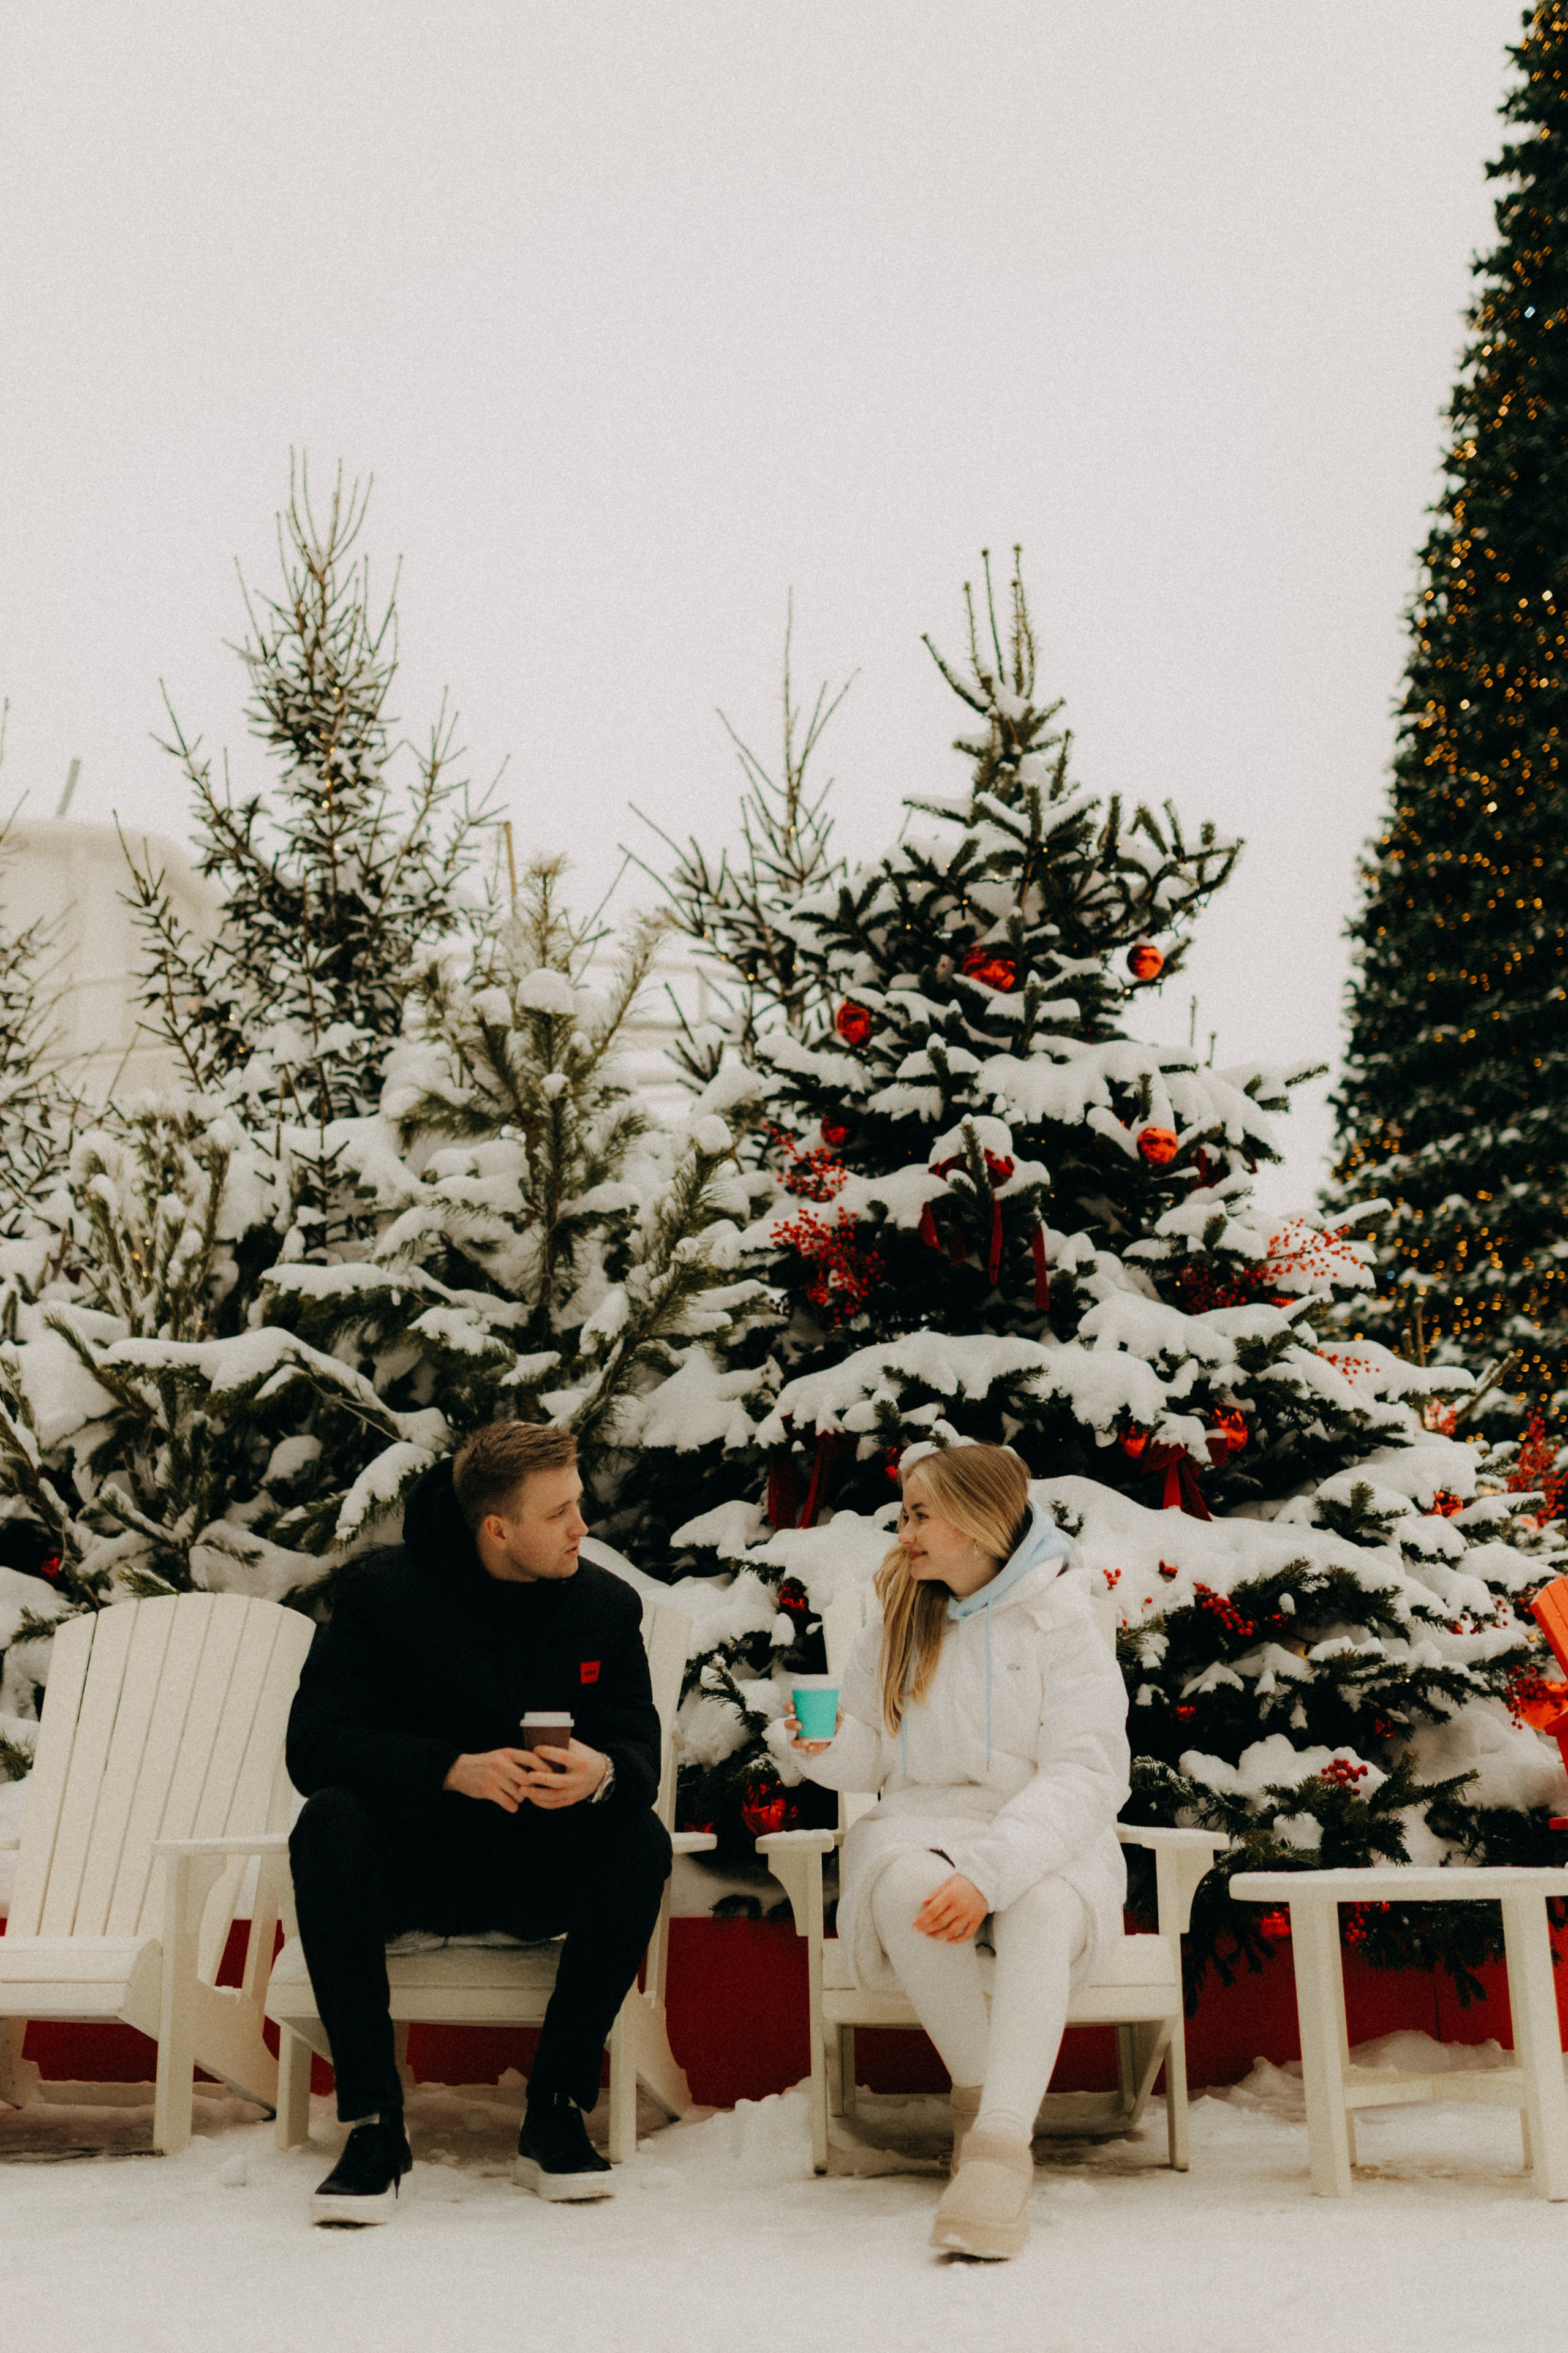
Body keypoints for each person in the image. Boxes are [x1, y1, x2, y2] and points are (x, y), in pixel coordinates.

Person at [285, 1421, 671, 2225]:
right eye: (560, 1511)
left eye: (580, 1503)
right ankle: (373, 2123)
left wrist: (600, 1773)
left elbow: (637, 1747)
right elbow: (315, 1746)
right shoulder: (381, 1597)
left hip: (536, 1868)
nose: (583, 1526)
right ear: (497, 1528)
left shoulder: (604, 1608)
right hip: (412, 1867)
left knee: (638, 1838)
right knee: (328, 1821)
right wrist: (448, 1769)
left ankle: (556, 2107)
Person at [788, 1443, 1129, 2260]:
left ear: (978, 1523)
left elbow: (1087, 1772)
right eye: (904, 1513)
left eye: (919, 1515)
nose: (903, 1532)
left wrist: (992, 1869)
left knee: (1042, 1905)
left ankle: (999, 2145)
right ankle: (990, 2121)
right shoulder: (905, 1609)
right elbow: (873, 1753)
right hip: (923, 1822)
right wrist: (821, 1748)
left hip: (1048, 1828)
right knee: (903, 1881)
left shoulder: (1063, 1617)